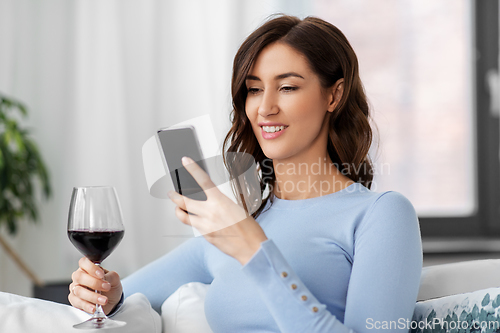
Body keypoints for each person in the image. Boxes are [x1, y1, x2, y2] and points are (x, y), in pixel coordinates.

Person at [69, 14, 422, 332]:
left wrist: (255, 249)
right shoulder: (233, 226)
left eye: (287, 87)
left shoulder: (382, 215)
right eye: (254, 89)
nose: (265, 108)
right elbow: (121, 293)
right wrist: (105, 293)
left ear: (334, 96)